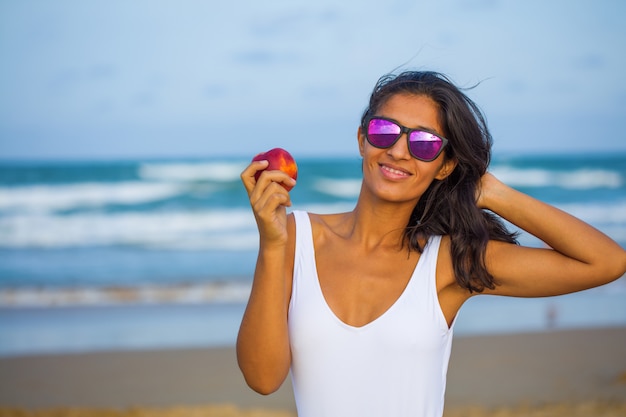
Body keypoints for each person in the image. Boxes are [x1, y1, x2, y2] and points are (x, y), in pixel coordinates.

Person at [236, 70, 626, 417]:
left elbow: (606, 262)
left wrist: (491, 192)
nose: (399, 150)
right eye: (385, 131)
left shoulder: (449, 262)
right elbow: (263, 378)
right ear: (362, 139)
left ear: (444, 165)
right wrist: (272, 245)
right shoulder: (295, 238)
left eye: (424, 143)